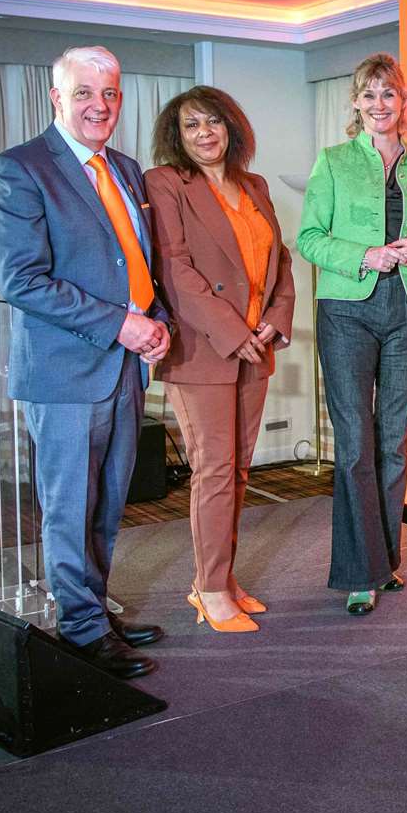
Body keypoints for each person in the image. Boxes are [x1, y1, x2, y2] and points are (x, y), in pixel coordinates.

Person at [0, 45, 170, 679]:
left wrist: (156, 322)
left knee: (107, 502)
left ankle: (91, 606)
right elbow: (22, 281)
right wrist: (122, 324)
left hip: (123, 366)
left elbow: (136, 261)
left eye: (111, 94)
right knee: (70, 505)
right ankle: (82, 630)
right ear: (57, 98)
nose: (100, 105)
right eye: (85, 93)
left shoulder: (125, 167)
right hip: (64, 371)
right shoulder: (19, 168)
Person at [145, 87, 295, 634]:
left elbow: (279, 258)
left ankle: (222, 580)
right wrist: (234, 332)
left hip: (257, 345)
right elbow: (174, 271)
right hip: (204, 350)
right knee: (213, 471)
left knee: (237, 470)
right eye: (191, 126)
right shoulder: (166, 184)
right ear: (176, 136)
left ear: (231, 127)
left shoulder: (252, 185)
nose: (204, 133)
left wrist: (277, 318)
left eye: (213, 122)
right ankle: (209, 589)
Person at [298, 53, 407, 616]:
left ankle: (385, 561)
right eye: (370, 94)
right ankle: (361, 571)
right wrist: (366, 254)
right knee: (356, 443)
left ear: (404, 103)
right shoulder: (333, 162)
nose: (381, 104)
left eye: (391, 95)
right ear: (356, 103)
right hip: (347, 310)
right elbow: (308, 237)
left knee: (393, 444)